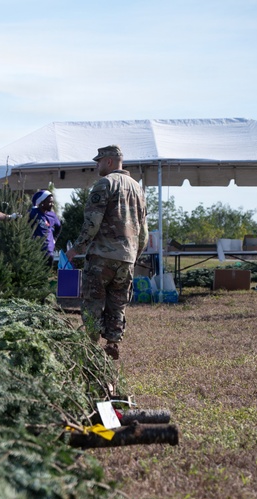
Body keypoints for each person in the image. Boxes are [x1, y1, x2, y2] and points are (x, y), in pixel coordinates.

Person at [68, 145, 148, 360]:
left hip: (102, 257)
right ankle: (112, 342)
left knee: (93, 301)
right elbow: (144, 231)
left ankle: (92, 346)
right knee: (118, 302)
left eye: (99, 161)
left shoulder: (104, 184)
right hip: (127, 258)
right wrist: (134, 255)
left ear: (109, 162)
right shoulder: (138, 189)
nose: (97, 165)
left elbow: (92, 222)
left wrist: (77, 248)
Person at [29, 189, 62, 263]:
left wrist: (54, 239)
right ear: (42, 202)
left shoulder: (52, 215)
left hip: (49, 252)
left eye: (52, 202)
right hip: (36, 251)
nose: (52, 204)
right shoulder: (33, 213)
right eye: (49, 202)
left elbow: (59, 227)